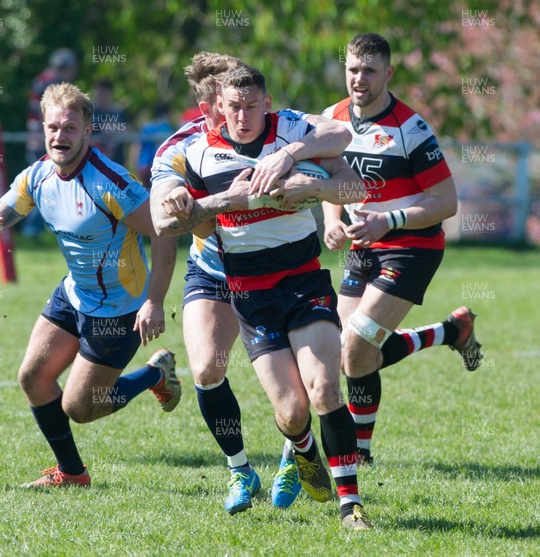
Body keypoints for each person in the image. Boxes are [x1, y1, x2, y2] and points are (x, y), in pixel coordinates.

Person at [163, 64, 371, 530]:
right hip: (248, 295)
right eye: (233, 108)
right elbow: (168, 225)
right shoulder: (198, 154)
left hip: (304, 281)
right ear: (218, 107)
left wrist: (308, 185)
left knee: (324, 389)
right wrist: (223, 203)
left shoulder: (294, 130)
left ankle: (350, 506)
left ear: (267, 104)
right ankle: (301, 452)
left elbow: (355, 183)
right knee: (293, 412)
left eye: (251, 107)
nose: (242, 117)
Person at [0, 83, 180, 487]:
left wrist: (154, 301)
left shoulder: (110, 183)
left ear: (87, 130)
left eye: (69, 128)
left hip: (119, 309)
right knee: (33, 377)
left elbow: (164, 232)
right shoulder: (39, 175)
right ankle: (72, 473)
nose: (59, 136)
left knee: (80, 408)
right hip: (74, 294)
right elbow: (6, 209)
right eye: (52, 128)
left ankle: (155, 375)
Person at [321, 33, 483, 465]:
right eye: (353, 69)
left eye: (370, 71)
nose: (360, 79)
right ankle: (450, 331)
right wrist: (332, 221)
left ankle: (361, 454)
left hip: (412, 247)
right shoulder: (332, 119)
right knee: (347, 354)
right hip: (362, 246)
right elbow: (327, 180)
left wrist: (387, 220)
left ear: (388, 74)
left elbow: (445, 203)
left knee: (357, 345)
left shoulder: (410, 129)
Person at [23, 48, 79, 237]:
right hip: (45, 142)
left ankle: (36, 231)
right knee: (45, 185)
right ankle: (34, 231)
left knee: (39, 184)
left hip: (38, 140)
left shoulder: (41, 80)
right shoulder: (55, 85)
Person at [90, 78, 129, 166]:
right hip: (95, 160)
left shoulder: (118, 112)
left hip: (117, 160)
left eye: (101, 93)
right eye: (97, 93)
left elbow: (129, 129)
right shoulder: (91, 112)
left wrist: (113, 126)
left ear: (109, 93)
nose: (98, 96)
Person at [136, 102, 173, 187]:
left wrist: (137, 163)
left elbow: (138, 146)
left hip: (144, 164)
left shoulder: (147, 127)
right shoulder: (166, 127)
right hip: (159, 165)